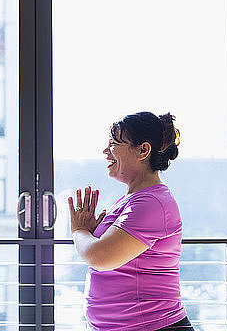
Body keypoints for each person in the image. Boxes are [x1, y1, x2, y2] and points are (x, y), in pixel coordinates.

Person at [67, 112, 193, 331]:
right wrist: (93, 233)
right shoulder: (133, 199)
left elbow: (100, 256)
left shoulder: (152, 203)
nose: (106, 152)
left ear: (143, 150)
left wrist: (79, 231)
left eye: (114, 144)